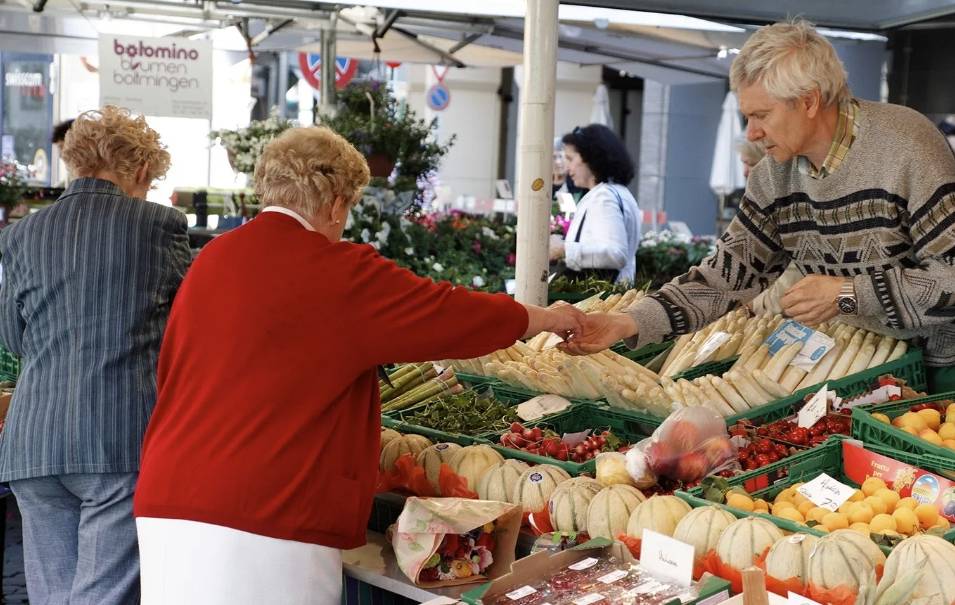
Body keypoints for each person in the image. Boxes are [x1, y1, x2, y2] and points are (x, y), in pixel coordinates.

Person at [132, 126, 584, 604]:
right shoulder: (336, 271)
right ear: (336, 203)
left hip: (168, 507)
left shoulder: (214, 258)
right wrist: (544, 317)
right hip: (265, 518)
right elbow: (447, 313)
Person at [560, 19, 955, 394]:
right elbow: (725, 276)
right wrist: (628, 321)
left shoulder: (907, 146)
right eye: (747, 116)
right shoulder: (773, 176)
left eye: (761, 115)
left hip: (940, 368)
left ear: (809, 100)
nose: (752, 133)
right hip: (857, 364)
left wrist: (848, 293)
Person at [0, 106, 191, 604]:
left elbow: (13, 338)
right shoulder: (159, 224)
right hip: (118, 437)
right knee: (102, 596)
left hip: (32, 443)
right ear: (143, 171)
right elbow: (185, 329)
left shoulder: (20, 233)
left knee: (53, 596)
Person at [549, 124, 641, 284]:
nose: (567, 166)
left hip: (598, 297)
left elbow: (616, 254)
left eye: (570, 158)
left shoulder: (604, 197)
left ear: (591, 158)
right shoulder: (617, 192)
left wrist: (563, 249)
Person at [740, 139, 800, 315]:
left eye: (750, 164)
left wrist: (749, 307)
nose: (744, 172)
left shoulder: (791, 209)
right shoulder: (761, 205)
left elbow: (790, 285)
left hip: (787, 316)